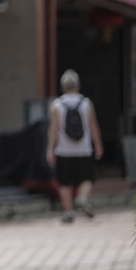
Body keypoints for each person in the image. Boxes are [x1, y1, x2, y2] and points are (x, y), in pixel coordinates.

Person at [45, 69, 103, 224]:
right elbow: (93, 126)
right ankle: (82, 198)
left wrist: (50, 149)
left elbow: (53, 129)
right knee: (87, 178)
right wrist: (97, 144)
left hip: (64, 150)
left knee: (64, 182)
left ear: (62, 87)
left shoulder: (56, 105)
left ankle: (68, 212)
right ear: (78, 85)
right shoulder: (86, 103)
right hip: (84, 149)